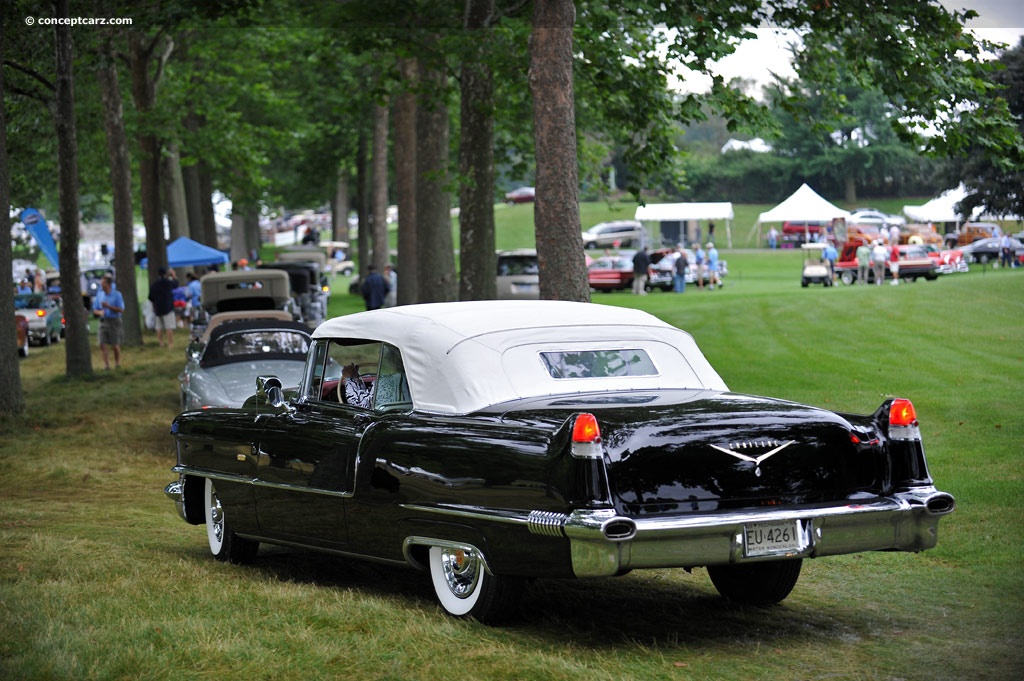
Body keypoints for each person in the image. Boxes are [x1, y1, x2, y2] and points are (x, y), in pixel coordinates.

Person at [92, 275, 124, 369]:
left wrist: (108, 306)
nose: (101, 285)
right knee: (102, 343)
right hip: (103, 321)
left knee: (114, 344)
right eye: (101, 283)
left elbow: (121, 310)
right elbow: (95, 309)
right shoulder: (100, 294)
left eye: (103, 283)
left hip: (114, 321)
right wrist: (99, 312)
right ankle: (106, 365)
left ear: (109, 284)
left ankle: (117, 363)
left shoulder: (117, 295)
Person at [148, 267, 178, 348]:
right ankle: (170, 343)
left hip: (158, 308)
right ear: (165, 274)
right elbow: (176, 284)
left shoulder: (154, 284)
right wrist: (174, 275)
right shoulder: (168, 283)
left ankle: (161, 343)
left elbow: (150, 297)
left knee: (159, 327)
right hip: (168, 307)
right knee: (169, 327)